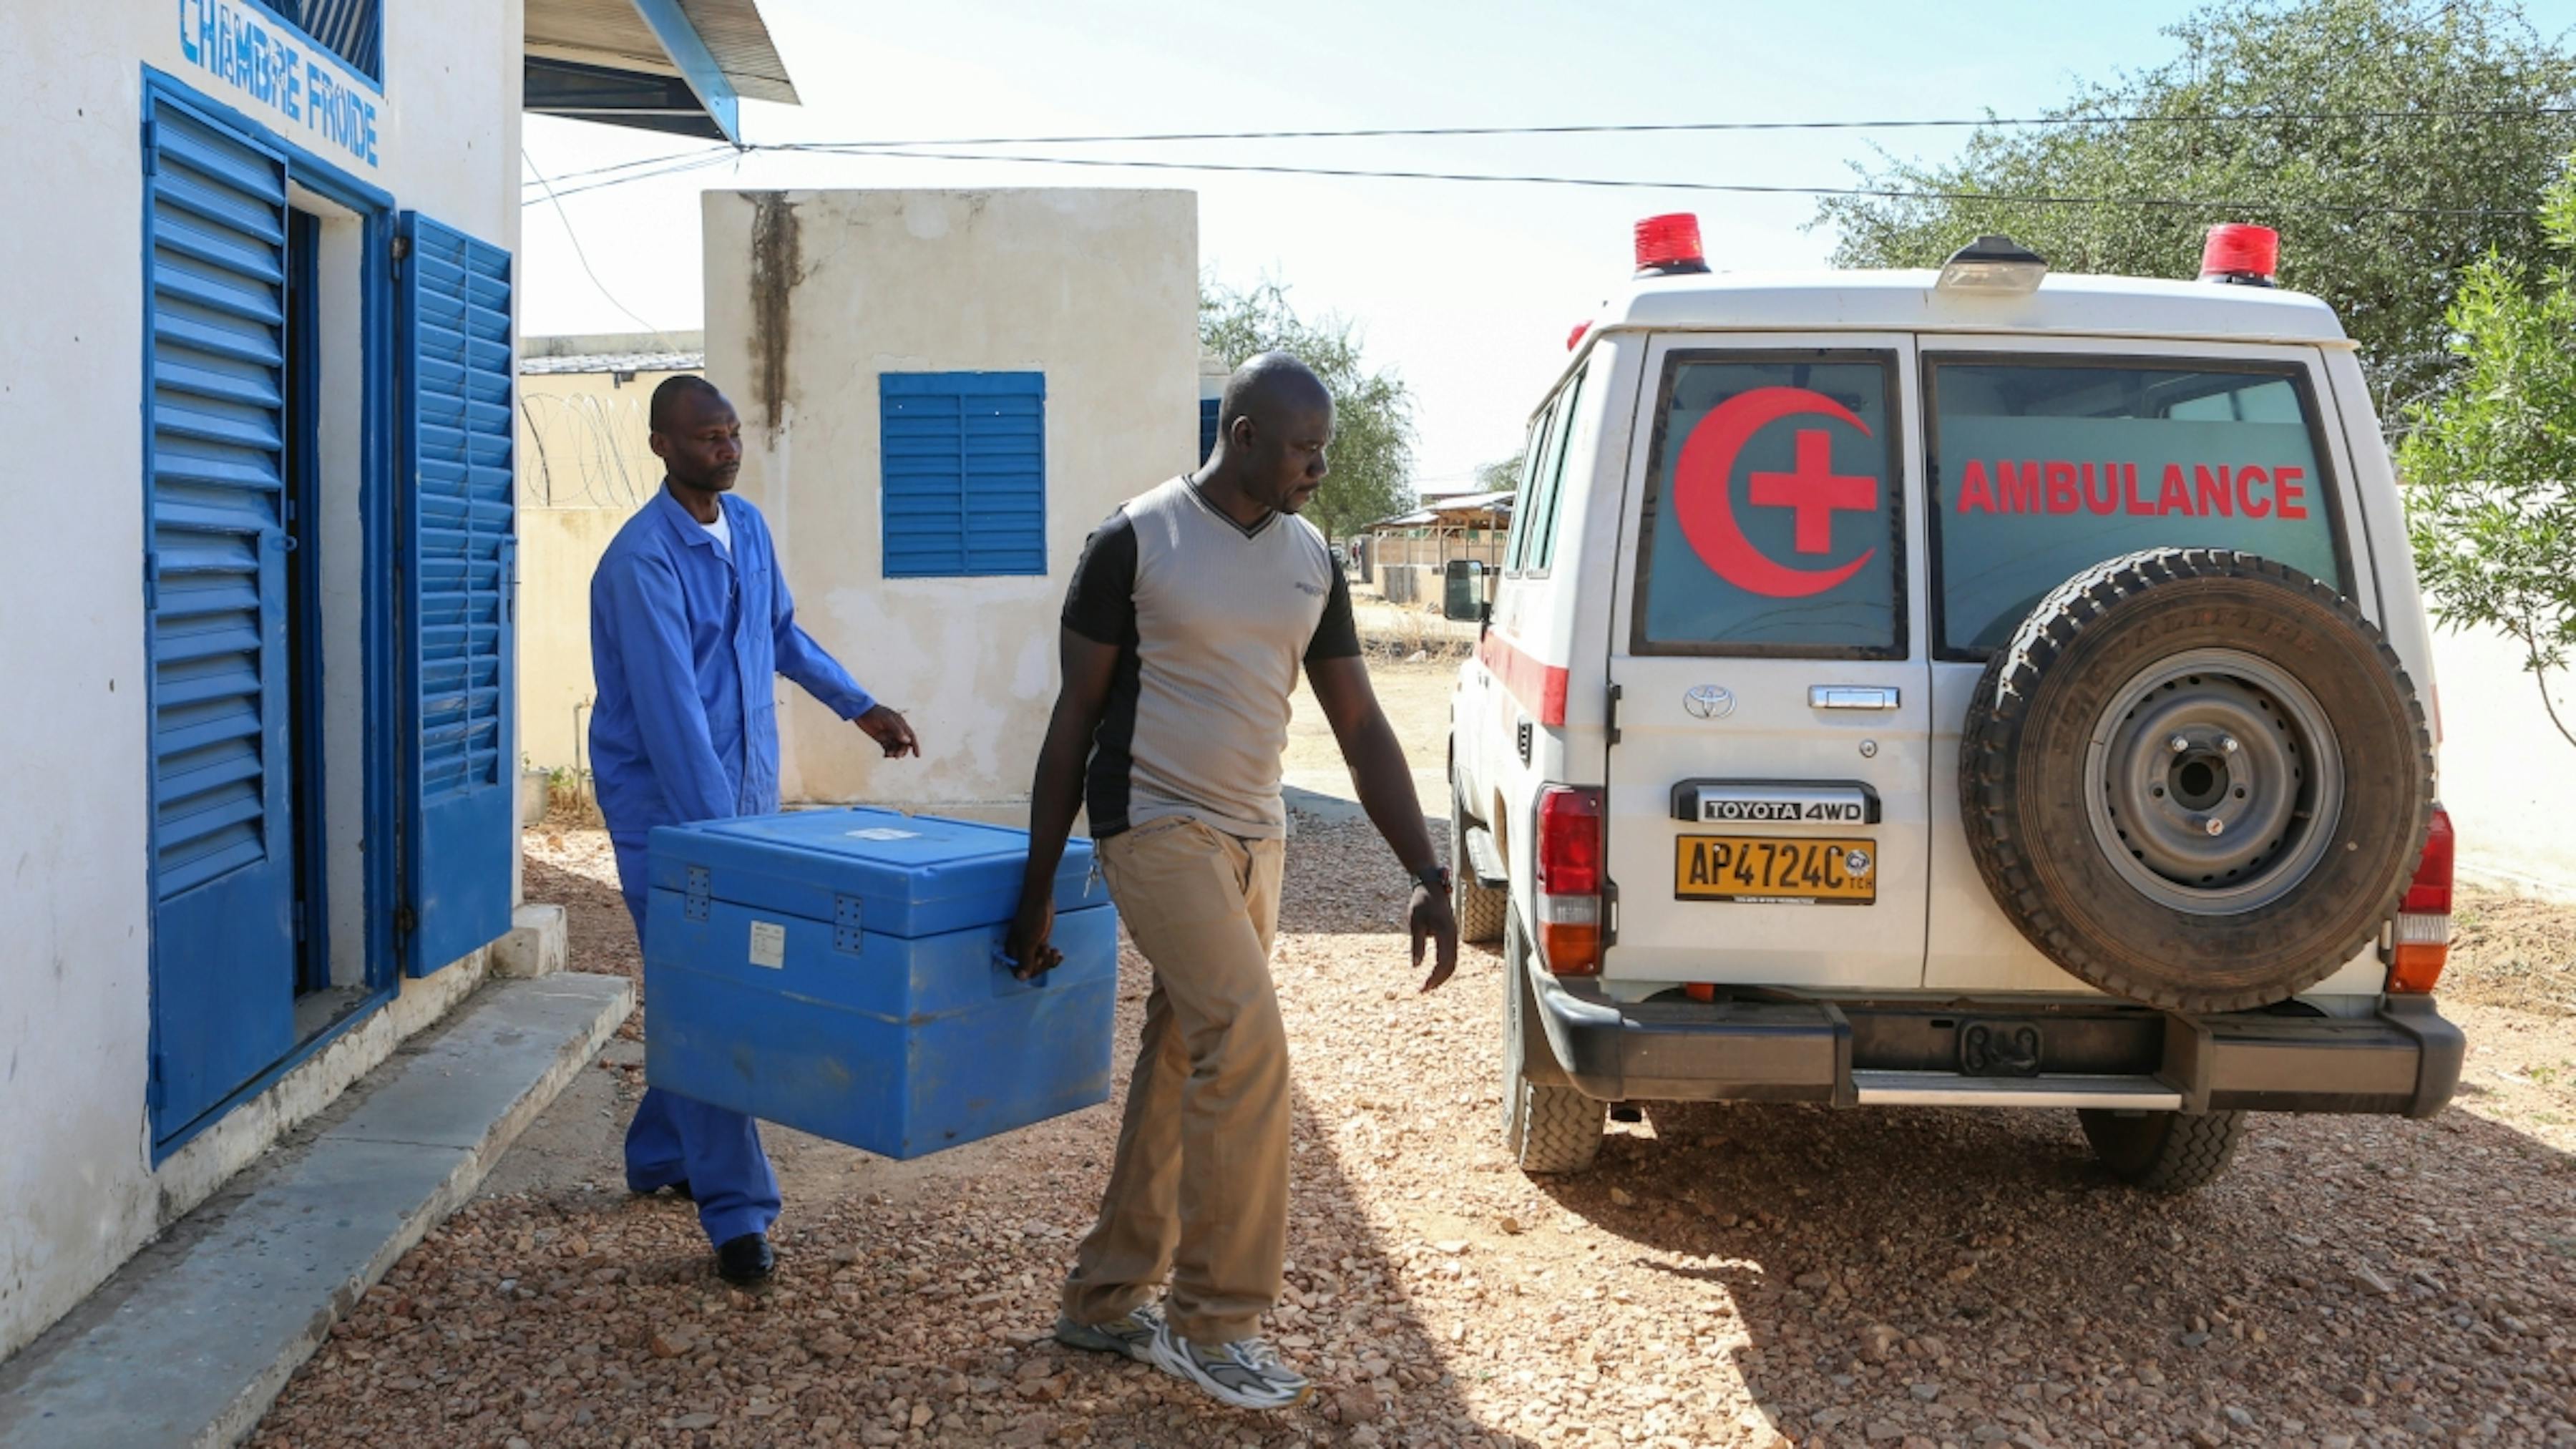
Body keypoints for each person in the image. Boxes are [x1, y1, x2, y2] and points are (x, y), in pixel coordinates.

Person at [1002, 353, 1460, 1410]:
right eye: (1306, 448)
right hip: (1155, 827)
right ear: (1244, 434)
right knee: (1248, 1042)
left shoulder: (1310, 560)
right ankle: (1213, 1323)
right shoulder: (1135, 539)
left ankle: (1103, 1298)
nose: (1319, 468)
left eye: (1326, 449)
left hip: (1261, 841)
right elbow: (1073, 722)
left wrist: (1429, 870)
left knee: (1185, 1053)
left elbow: (1359, 726)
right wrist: (1036, 888)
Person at [589, 376, 922, 1286]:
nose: (727, 449)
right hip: (671, 816)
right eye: (706, 437)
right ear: (662, 446)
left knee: (704, 988)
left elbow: (780, 633)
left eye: (733, 433)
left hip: (739, 802)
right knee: (716, 994)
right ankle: (737, 1213)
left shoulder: (749, 532)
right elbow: (670, 721)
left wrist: (860, 707)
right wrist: (728, 854)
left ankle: (661, 1155)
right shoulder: (639, 565)